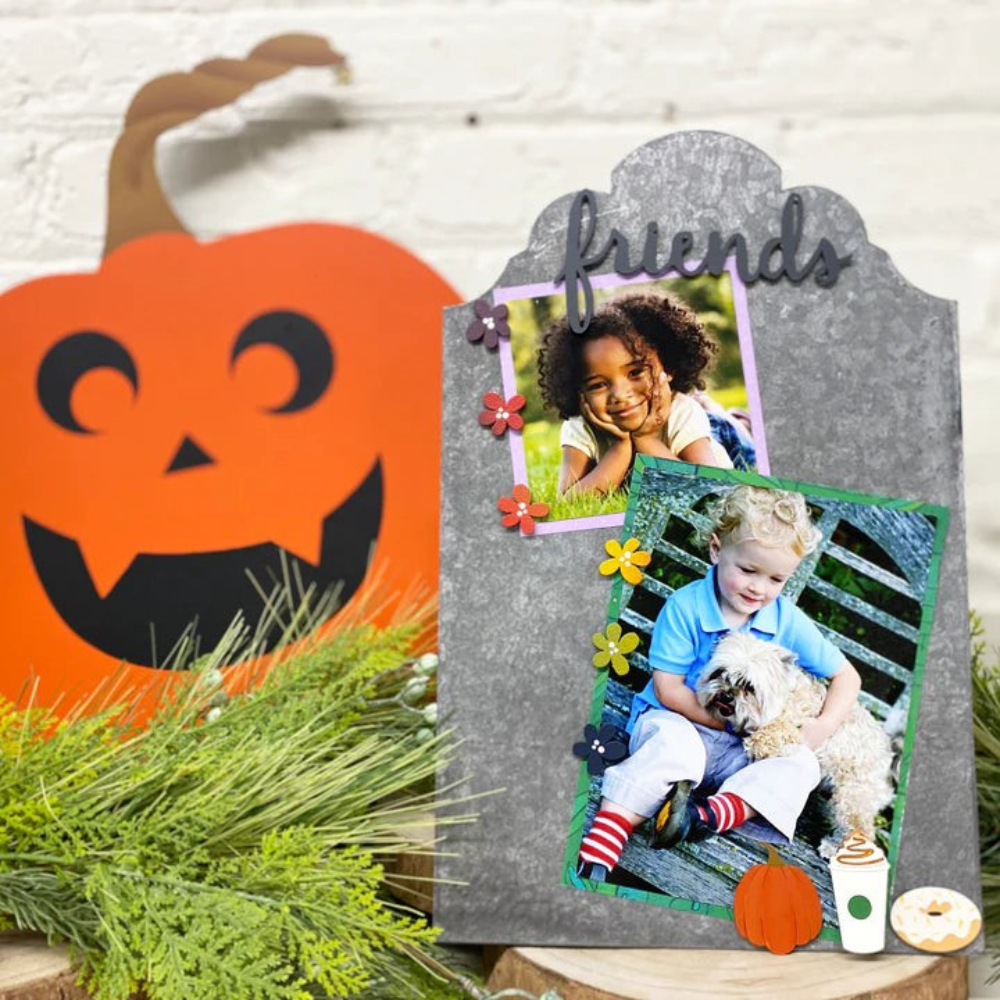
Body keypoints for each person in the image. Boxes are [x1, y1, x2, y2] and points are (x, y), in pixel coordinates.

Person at [576, 486, 862, 881]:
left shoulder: (785, 619)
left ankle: (701, 816)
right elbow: (669, 690)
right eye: (748, 570)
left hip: (739, 753)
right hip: (678, 721)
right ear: (715, 550)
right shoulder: (686, 607)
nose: (759, 588)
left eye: (776, 578)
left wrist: (822, 726)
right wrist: (725, 724)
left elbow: (846, 676)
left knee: (800, 766)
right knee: (672, 748)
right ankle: (604, 844)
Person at [536, 291, 745, 498]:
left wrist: (646, 439)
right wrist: (620, 446)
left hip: (721, 436)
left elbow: (711, 490)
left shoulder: (683, 413)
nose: (620, 395)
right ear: (578, 391)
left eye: (635, 372)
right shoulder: (580, 426)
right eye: (598, 385)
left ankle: (737, 418)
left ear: (668, 367)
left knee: (728, 427)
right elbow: (568, 501)